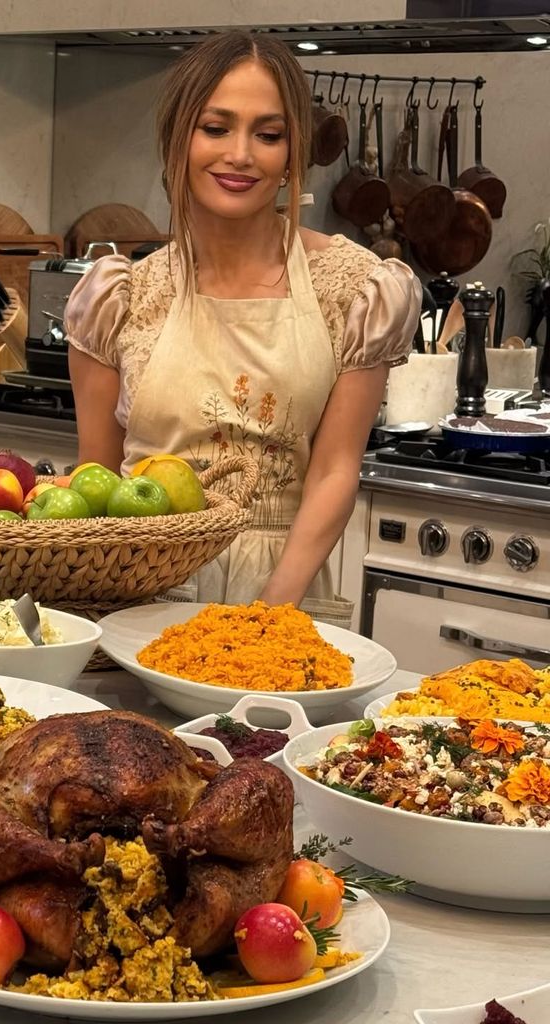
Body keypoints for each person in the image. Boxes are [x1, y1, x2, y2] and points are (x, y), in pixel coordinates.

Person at [65, 31, 421, 625]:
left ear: (292, 154)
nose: (240, 154)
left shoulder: (356, 288)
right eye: (216, 127)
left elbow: (335, 471)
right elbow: (95, 483)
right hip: (139, 596)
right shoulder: (119, 297)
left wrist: (267, 616)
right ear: (177, 138)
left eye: (268, 134)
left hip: (286, 590)